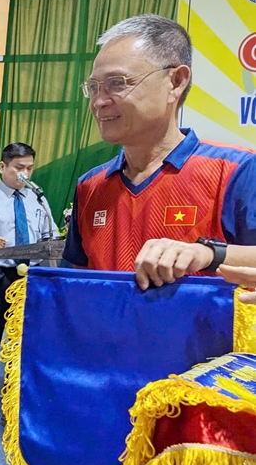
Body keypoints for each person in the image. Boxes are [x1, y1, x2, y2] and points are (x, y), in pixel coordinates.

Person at [63, 14, 256, 288]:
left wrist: (207, 254)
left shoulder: (236, 171)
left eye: (117, 83)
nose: (99, 101)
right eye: (93, 88)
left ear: (176, 82)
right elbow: (74, 287)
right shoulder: (90, 187)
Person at [0, 142, 58, 412]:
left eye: (29, 168)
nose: (25, 174)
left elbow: (51, 234)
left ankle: (19, 387)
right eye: (19, 168)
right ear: (3, 167)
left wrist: (53, 242)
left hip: (30, 276)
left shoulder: (38, 200)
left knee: (26, 334)